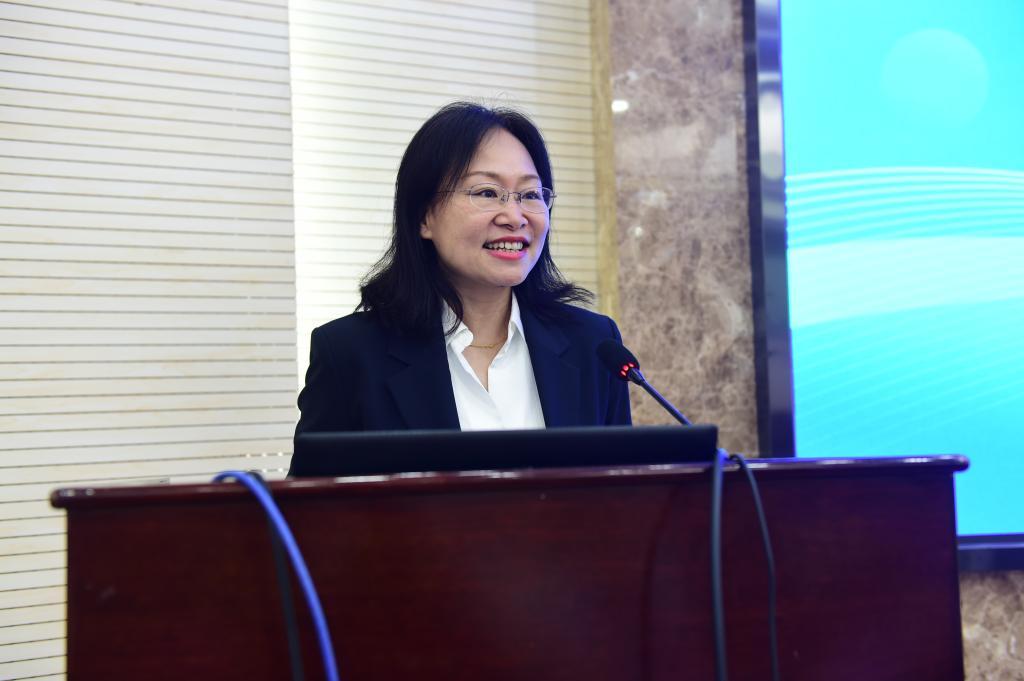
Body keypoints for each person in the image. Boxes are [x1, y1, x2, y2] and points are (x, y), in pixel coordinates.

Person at [294, 102, 631, 435]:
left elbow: (623, 473)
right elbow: (319, 474)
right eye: (487, 192)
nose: (514, 217)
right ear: (424, 216)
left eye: (530, 194)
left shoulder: (595, 347)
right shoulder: (349, 355)